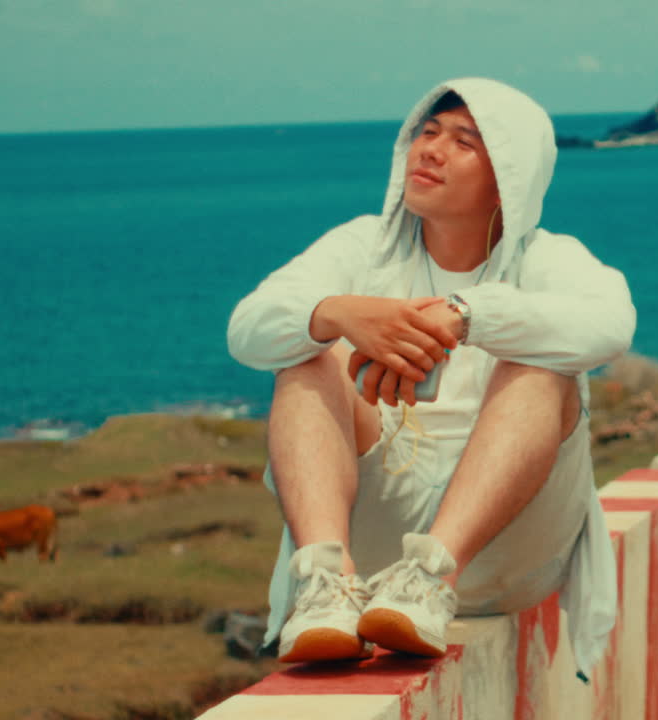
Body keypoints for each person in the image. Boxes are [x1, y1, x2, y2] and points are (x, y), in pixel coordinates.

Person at [227, 78, 635, 680]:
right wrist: (336, 314)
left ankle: (430, 577)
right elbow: (246, 330)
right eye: (428, 131)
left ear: (509, 179)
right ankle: (324, 585)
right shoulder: (363, 246)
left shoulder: (547, 257)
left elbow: (610, 325)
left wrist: (468, 316)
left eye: (465, 141)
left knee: (542, 366)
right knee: (305, 353)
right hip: (374, 552)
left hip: (505, 546)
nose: (432, 149)